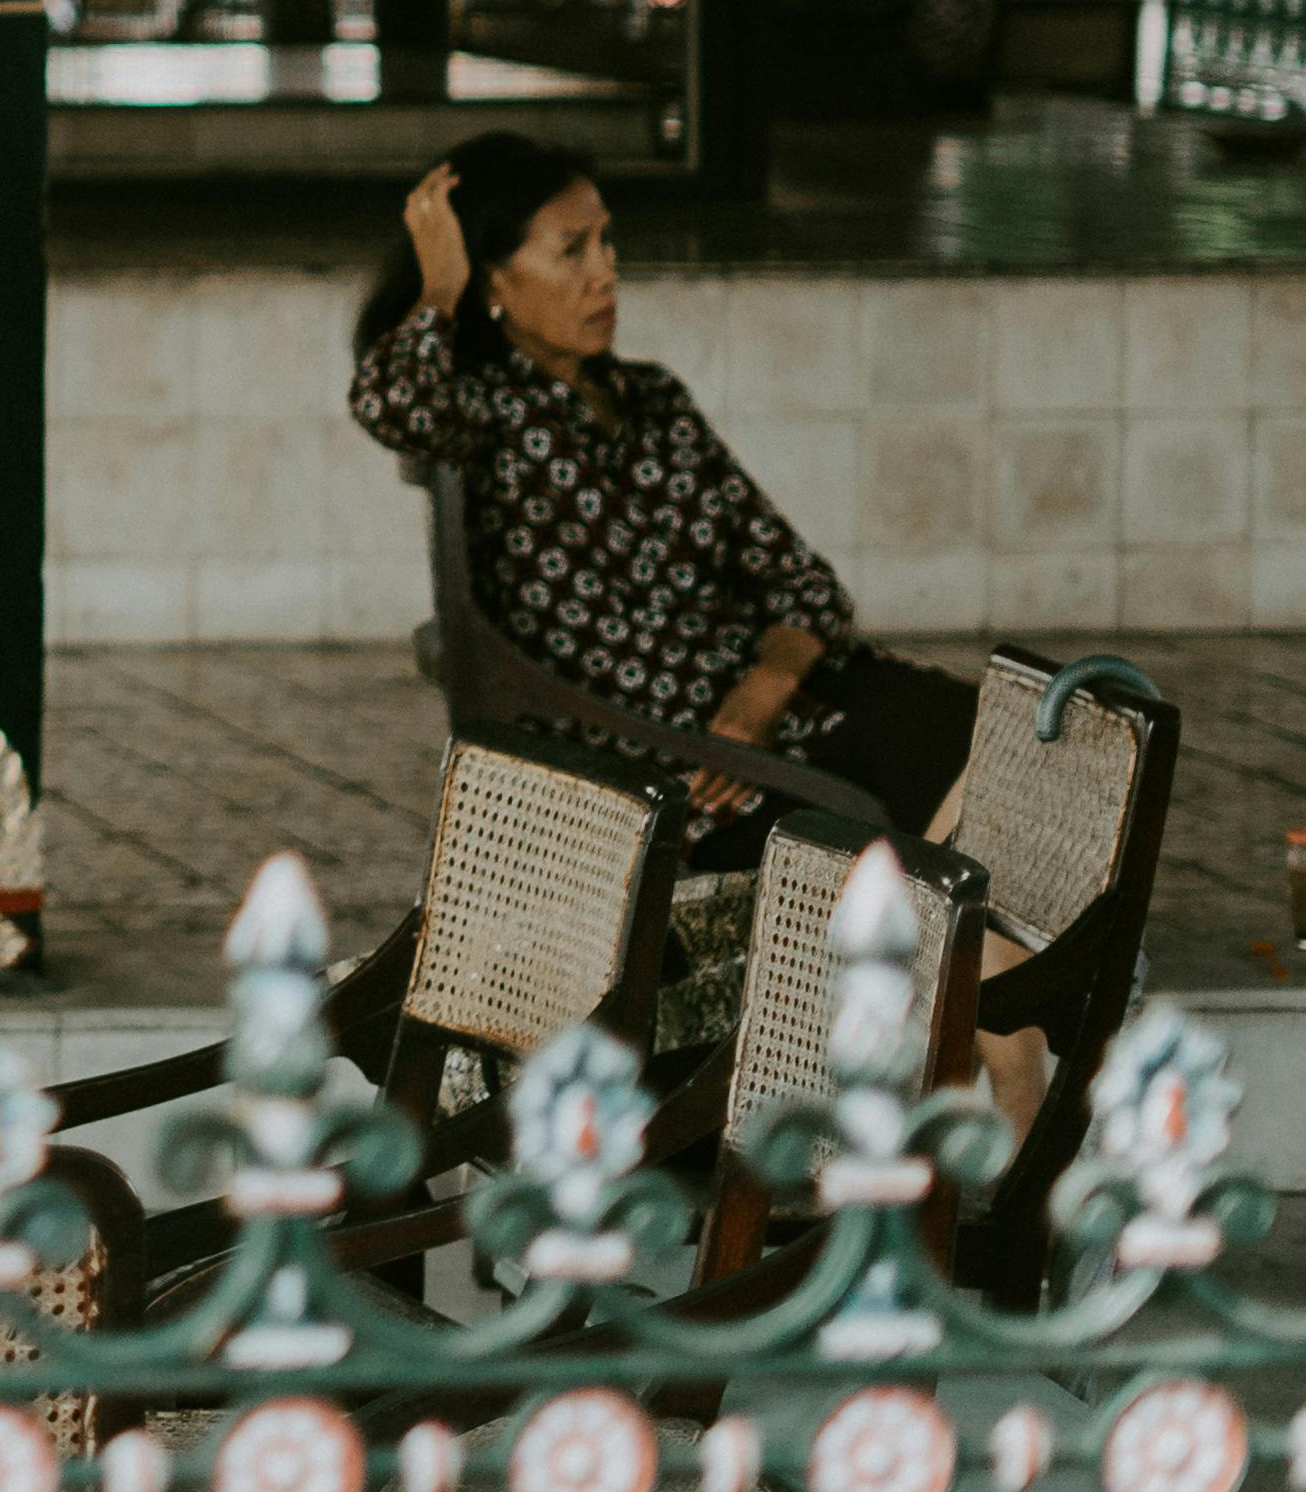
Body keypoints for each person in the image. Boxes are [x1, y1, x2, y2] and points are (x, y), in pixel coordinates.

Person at [352, 136, 1039, 1116]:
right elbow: (389, 400)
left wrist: (761, 693)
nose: (605, 272)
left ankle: (972, 1051)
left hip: (800, 709)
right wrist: (440, 286)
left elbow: (803, 581)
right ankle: (1006, 1128)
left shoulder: (656, 403)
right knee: (996, 963)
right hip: (694, 773)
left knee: (1022, 747)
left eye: (609, 243)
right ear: (495, 278)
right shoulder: (491, 420)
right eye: (572, 250)